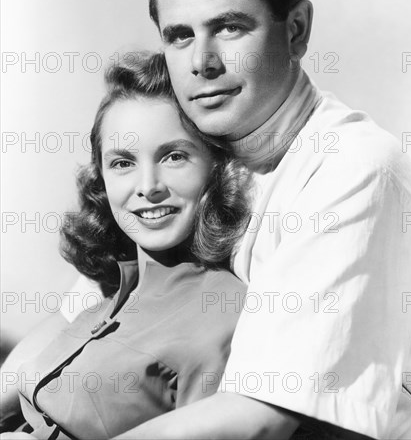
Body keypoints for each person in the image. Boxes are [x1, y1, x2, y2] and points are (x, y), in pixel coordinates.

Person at [2, 0, 411, 440]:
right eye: (179, 35)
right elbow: (76, 317)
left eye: (229, 27)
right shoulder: (194, 147)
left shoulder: (350, 170)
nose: (202, 62)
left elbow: (261, 418)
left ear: (295, 30)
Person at [0, 52, 251, 439]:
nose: (148, 186)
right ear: (101, 177)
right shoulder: (107, 294)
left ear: (215, 166)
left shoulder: (223, 310)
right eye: (122, 163)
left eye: (174, 156)